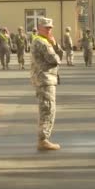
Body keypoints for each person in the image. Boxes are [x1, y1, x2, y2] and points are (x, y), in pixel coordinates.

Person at [30, 17, 64, 151]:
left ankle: (43, 138)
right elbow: (55, 59)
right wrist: (54, 45)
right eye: (46, 27)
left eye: (50, 27)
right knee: (48, 109)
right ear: (39, 28)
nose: (49, 30)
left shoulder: (44, 41)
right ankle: (43, 140)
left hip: (46, 78)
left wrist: (54, 45)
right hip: (45, 79)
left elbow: (58, 56)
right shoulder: (41, 42)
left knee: (47, 108)